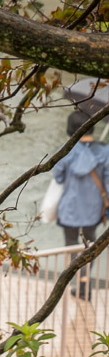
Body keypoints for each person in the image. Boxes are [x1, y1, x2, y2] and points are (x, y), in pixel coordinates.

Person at [52, 110, 109, 298]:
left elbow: (58, 177)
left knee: (70, 246)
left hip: (69, 210)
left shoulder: (66, 150)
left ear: (70, 130)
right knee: (90, 246)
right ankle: (85, 282)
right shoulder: (104, 151)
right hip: (93, 210)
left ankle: (76, 280)